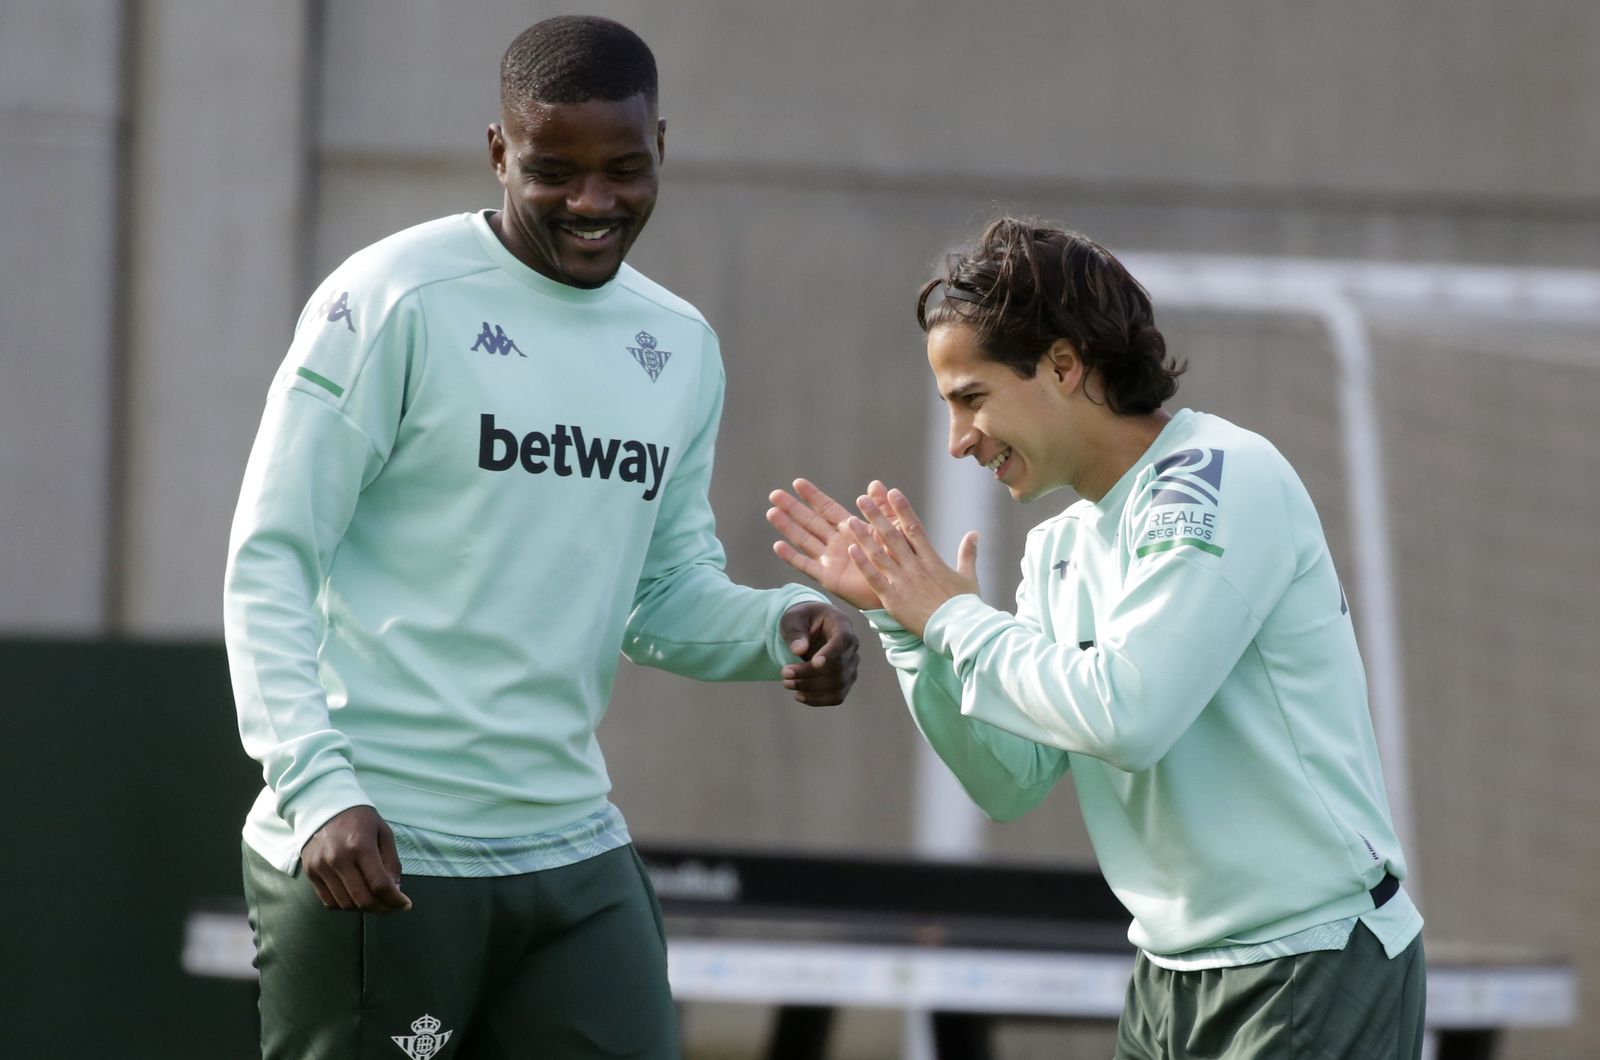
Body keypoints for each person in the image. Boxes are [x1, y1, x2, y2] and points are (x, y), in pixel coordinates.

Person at [223, 15, 858, 1059]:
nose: (593, 201)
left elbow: (660, 595)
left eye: (622, 167)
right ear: (496, 150)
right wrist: (318, 785)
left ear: (663, 147)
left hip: (570, 851)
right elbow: (271, 558)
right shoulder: (389, 299)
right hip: (377, 845)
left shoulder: (679, 346)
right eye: (552, 169)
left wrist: (785, 626)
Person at [768, 218, 1425, 1058]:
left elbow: (1129, 715)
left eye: (972, 397)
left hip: (1307, 964)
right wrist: (909, 633)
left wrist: (954, 619)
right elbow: (1013, 779)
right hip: (1167, 977)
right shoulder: (1060, 545)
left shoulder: (1220, 476)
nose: (959, 440)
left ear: (1065, 366)